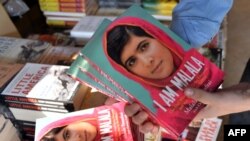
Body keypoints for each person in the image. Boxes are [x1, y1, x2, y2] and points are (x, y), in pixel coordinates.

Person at [104, 0, 234, 136]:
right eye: (132, 62)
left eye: (144, 46)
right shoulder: (153, 107)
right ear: (128, 73)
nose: (147, 61)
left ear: (157, 36)